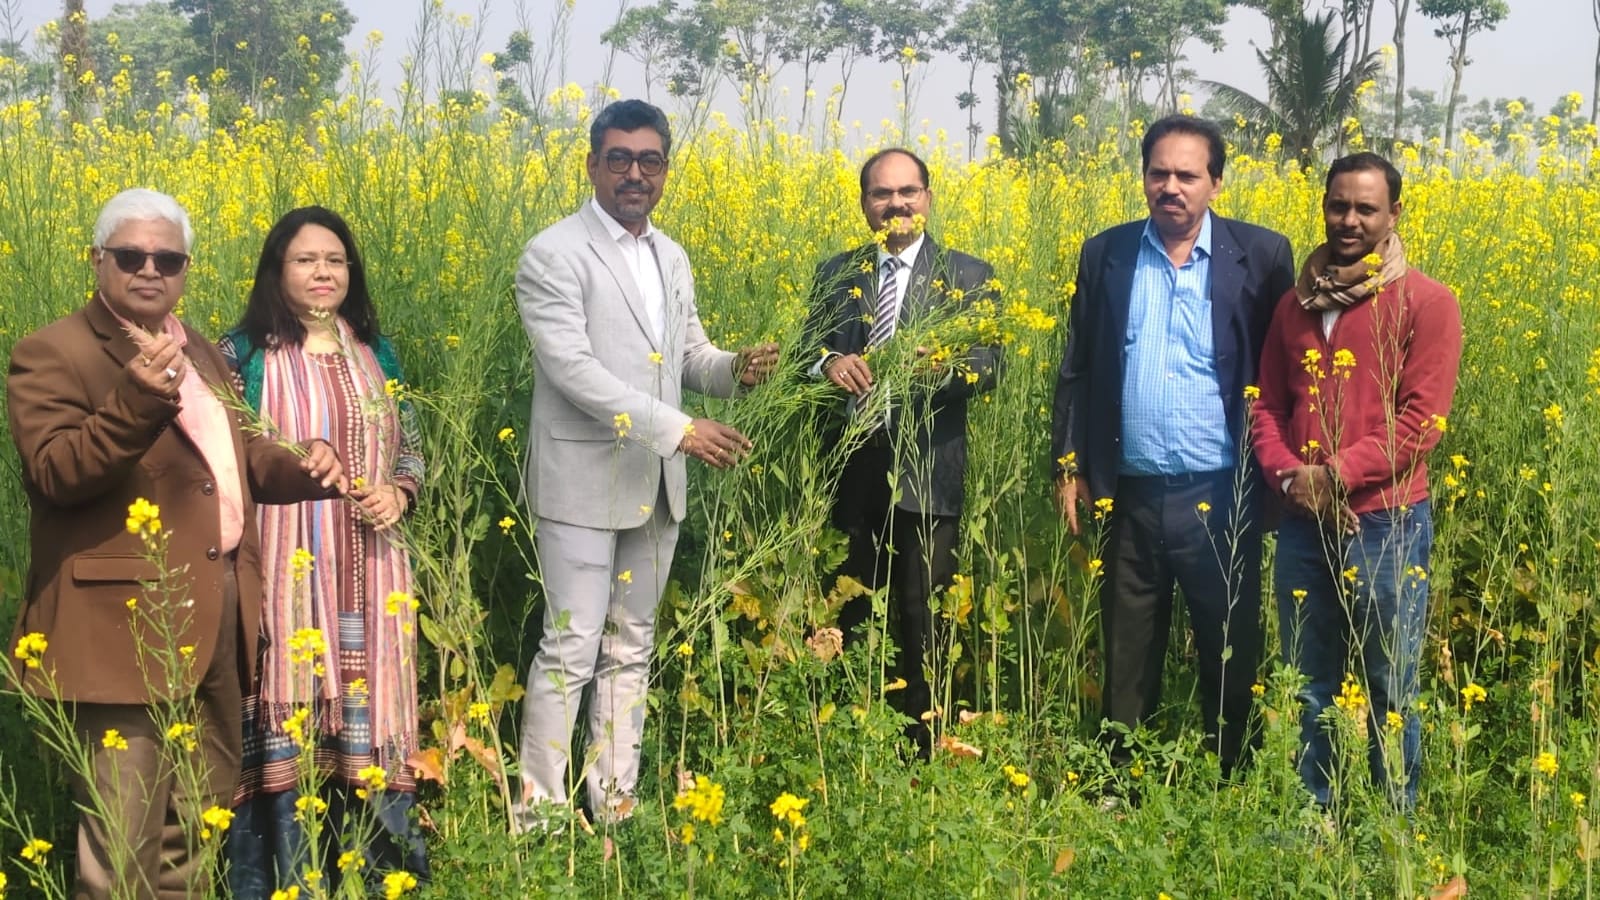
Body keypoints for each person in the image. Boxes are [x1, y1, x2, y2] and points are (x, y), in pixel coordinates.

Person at [5, 188, 344, 899]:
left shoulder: (199, 350)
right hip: (120, 630)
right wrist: (135, 398)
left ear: (185, 269)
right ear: (98, 260)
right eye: (131, 256)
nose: (149, 270)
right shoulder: (53, 352)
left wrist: (304, 463)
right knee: (122, 847)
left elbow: (240, 457)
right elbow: (57, 472)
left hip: (215, 619)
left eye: (168, 260)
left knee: (193, 830)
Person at [513, 98, 778, 827]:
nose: (635, 174)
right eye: (620, 159)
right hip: (581, 482)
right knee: (571, 646)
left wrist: (736, 369)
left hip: (654, 482)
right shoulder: (554, 253)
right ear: (592, 165)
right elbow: (573, 370)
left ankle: (614, 801)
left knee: (631, 644)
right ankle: (539, 817)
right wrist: (681, 430)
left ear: (665, 170)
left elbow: (688, 355)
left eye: (650, 161)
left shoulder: (671, 255)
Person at [1050, 115, 1294, 782]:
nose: (1171, 187)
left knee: (1228, 640)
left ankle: (1229, 776)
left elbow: (1285, 374)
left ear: (1216, 182)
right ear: (1143, 177)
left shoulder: (1262, 255)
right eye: (1158, 173)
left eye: (1187, 174)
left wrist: (1279, 475)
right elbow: (1077, 368)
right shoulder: (1107, 253)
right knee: (1126, 641)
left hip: (1221, 490)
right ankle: (1120, 775)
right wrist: (1069, 465)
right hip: (1128, 489)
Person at [217, 206, 429, 894]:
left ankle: (378, 875)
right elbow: (221, 459)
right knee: (286, 709)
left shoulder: (377, 352)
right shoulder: (241, 354)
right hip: (284, 571)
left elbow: (413, 448)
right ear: (276, 271)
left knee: (368, 723)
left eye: (335, 260)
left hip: (372, 569)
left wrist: (399, 491)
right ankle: (286, 878)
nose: (323, 272)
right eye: (306, 260)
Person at [1252, 152, 1461, 810]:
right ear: (1323, 206)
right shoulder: (1295, 305)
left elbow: (1421, 422)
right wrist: (1289, 477)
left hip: (1386, 523)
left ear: (1393, 214)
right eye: (1338, 205)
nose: (1349, 220)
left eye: (1365, 209)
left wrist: (1335, 475)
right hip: (1302, 521)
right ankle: (1313, 819)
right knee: (1307, 680)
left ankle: (1391, 823)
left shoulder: (1427, 302)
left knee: (1389, 683)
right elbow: (1267, 406)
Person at [802, 148, 1001, 759]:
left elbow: (990, 365)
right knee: (847, 608)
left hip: (926, 473)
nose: (896, 204)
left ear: (927, 199)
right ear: (865, 204)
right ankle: (846, 744)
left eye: (908, 192)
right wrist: (829, 364)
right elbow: (806, 353)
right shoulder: (837, 272)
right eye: (882, 194)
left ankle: (922, 749)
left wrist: (939, 370)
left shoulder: (968, 274)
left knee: (923, 619)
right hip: (851, 470)